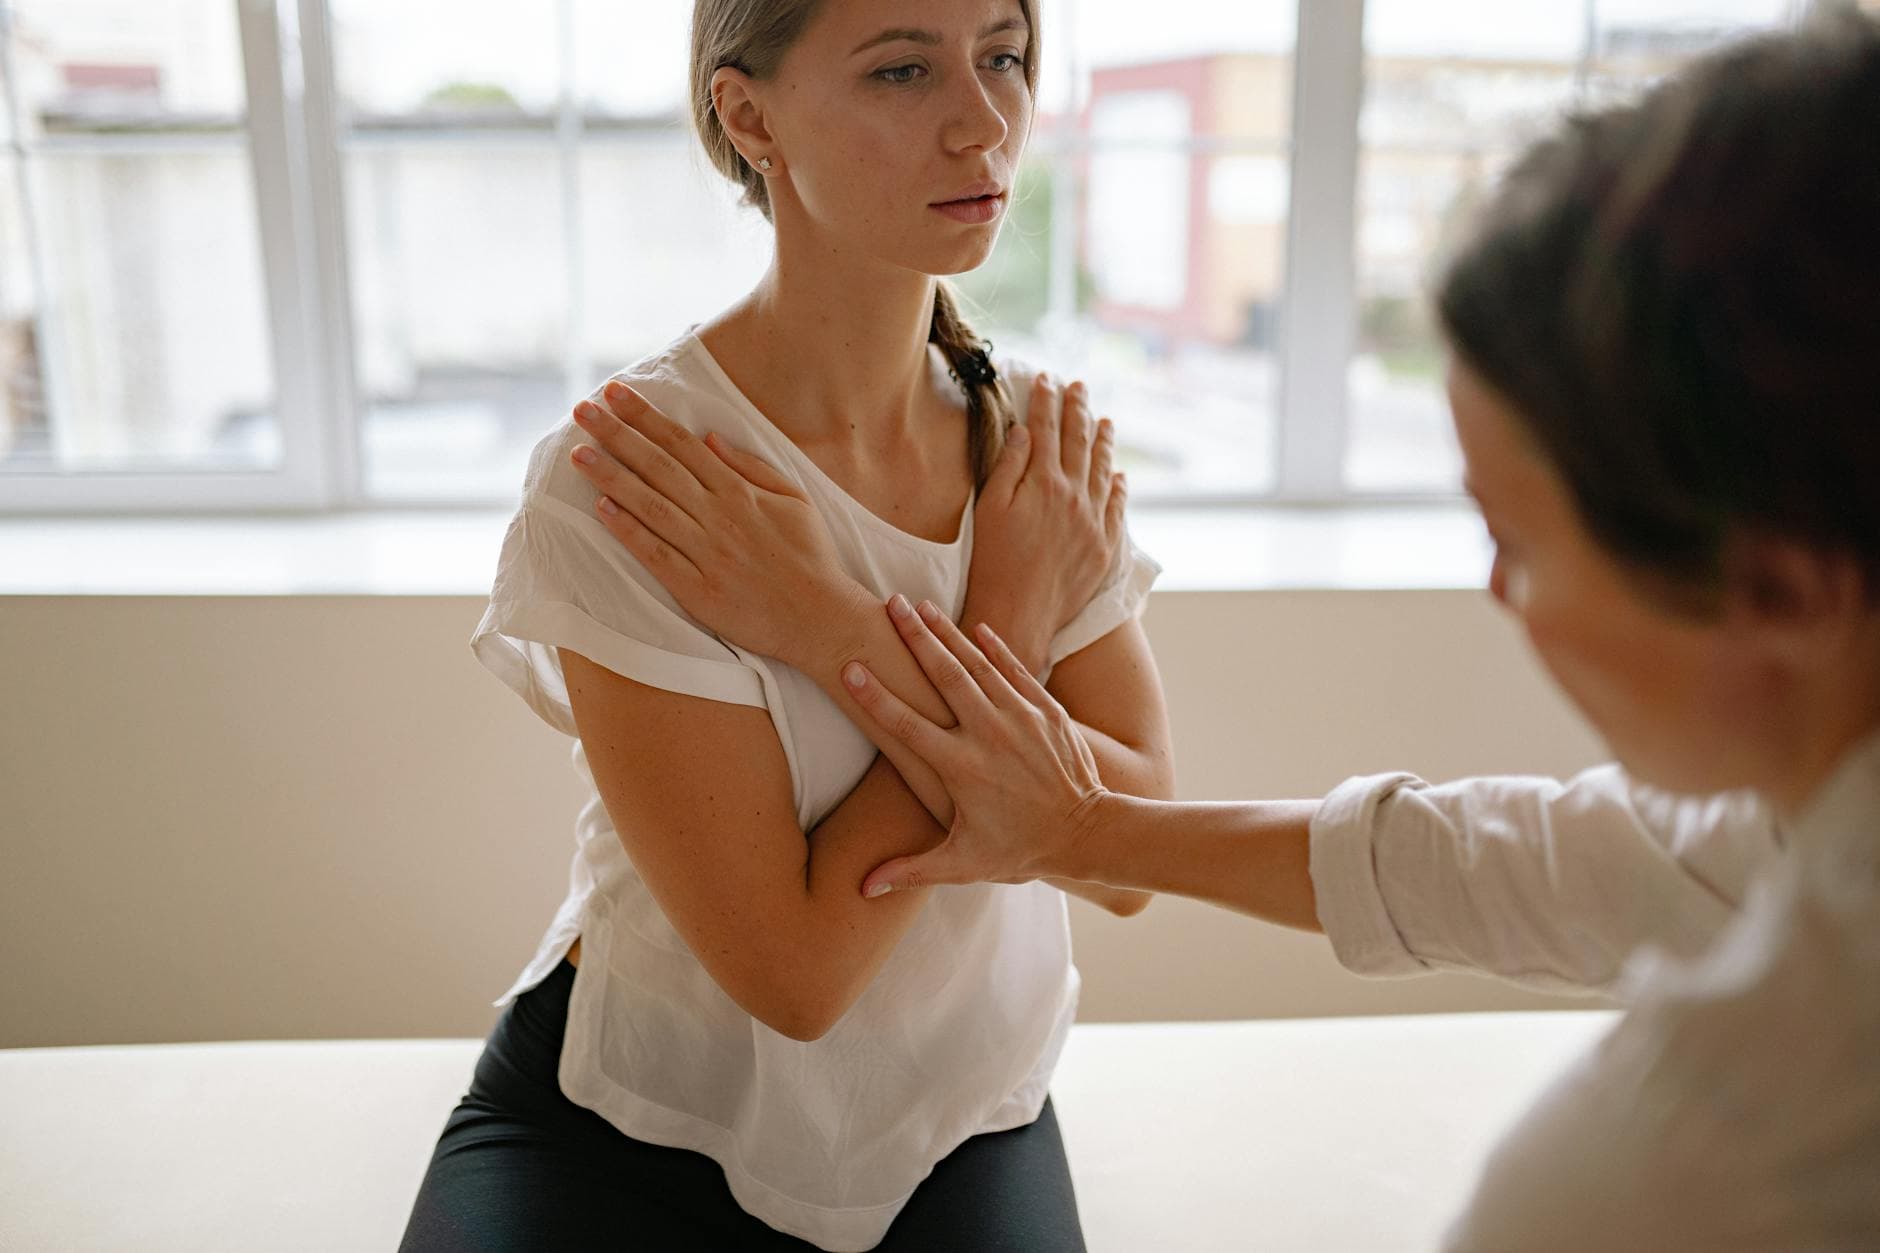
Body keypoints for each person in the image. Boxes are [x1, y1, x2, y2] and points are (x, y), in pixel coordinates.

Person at [830, 8, 1880, 1250]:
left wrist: (951, 630)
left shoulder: (1666, 1179)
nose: (1497, 590)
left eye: (1523, 544)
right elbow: (1531, 860)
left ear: (1787, 587)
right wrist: (1085, 825)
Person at [397, 1, 1172, 1250]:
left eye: (1004, 57)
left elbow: (1129, 856)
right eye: (903, 69)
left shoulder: (1031, 447)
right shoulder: (636, 475)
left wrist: (846, 623)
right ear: (747, 114)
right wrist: (1000, 634)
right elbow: (796, 975)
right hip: (629, 1117)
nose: (983, 123)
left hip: (962, 1109)